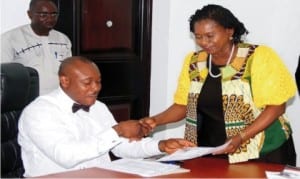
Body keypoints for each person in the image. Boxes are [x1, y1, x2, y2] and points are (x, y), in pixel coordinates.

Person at [140, 4, 297, 166]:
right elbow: (183, 105)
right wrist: (155, 120)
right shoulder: (194, 61)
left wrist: (241, 137)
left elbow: (277, 107)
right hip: (211, 150)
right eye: (198, 36)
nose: (204, 42)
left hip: (264, 150)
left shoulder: (258, 57)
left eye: (210, 35)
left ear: (229, 31)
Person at [17, 56, 195, 177]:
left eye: (98, 81)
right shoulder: (39, 112)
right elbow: (66, 156)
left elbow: (122, 147)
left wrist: (161, 146)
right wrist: (116, 131)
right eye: (87, 83)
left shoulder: (98, 107)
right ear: (65, 81)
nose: (95, 88)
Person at [1, 0, 72, 95]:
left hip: (58, 97)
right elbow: (4, 75)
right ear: (30, 14)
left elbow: (69, 71)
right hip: (26, 99)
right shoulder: (9, 39)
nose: (50, 19)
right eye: (43, 15)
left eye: (54, 15)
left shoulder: (63, 39)